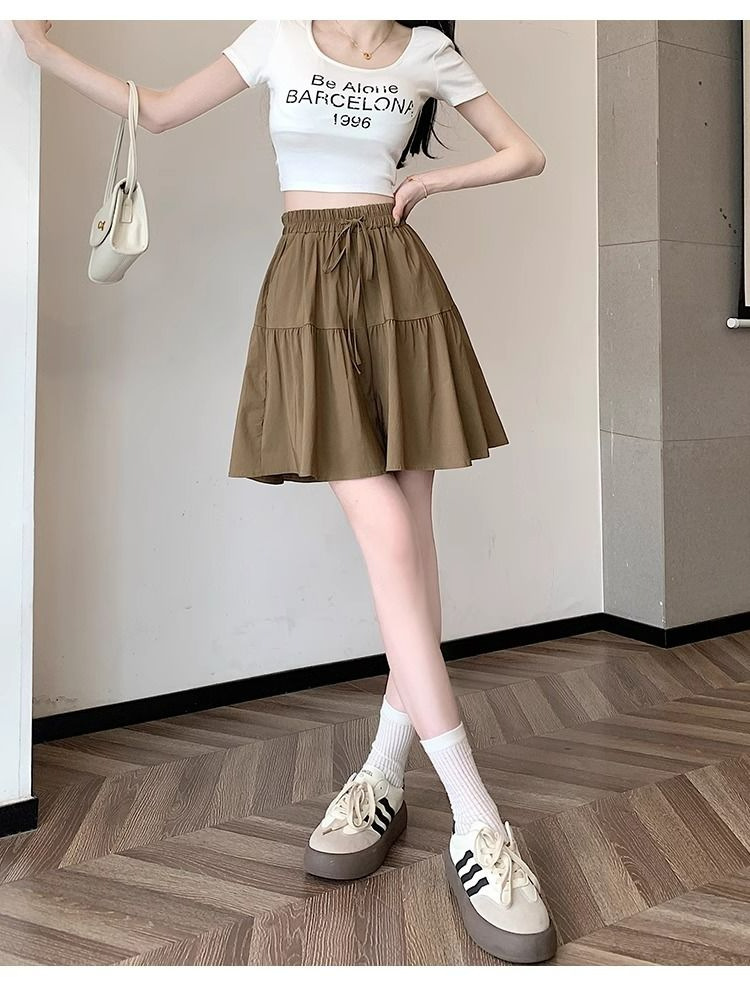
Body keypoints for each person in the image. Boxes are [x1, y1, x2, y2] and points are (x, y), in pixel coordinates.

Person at [14, 18, 554, 964]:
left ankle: (382, 773)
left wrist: (429, 182)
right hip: (307, 284)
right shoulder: (280, 32)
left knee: (414, 545)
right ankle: (477, 818)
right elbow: (161, 111)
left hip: (399, 285)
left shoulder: (429, 53)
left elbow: (525, 153)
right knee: (393, 543)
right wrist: (43, 52)